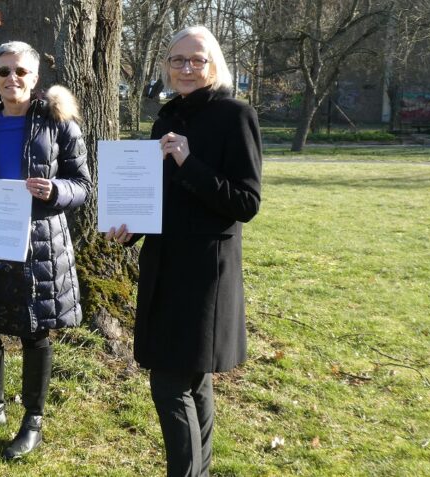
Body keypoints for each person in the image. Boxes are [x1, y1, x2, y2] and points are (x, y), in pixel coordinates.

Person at [107, 26, 262, 476]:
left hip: (205, 272)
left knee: (170, 382)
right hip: (164, 263)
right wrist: (131, 228)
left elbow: (245, 203)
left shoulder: (235, 115)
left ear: (215, 65)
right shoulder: (167, 117)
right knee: (192, 380)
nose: (188, 68)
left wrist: (189, 161)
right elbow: (161, 193)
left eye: (197, 60)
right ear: (167, 68)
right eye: (178, 61)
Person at [0, 41, 92, 460]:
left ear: (35, 78)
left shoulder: (58, 122)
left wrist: (56, 190)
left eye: (21, 72)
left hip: (41, 242)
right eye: (3, 71)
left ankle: (33, 420)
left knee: (34, 330)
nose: (12, 79)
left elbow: (83, 185)